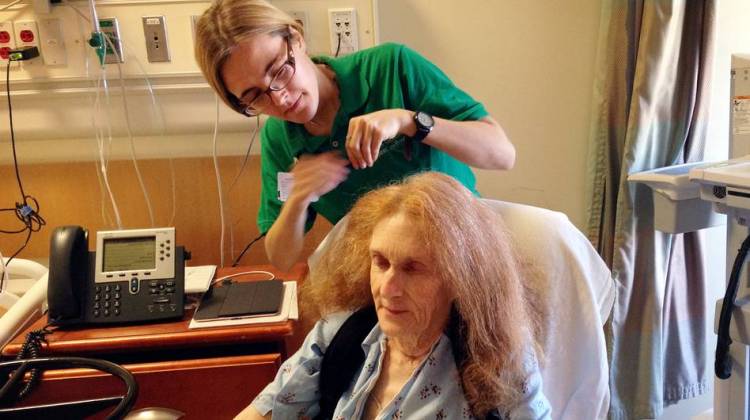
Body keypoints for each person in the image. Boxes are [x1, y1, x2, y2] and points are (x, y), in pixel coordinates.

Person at [195, 0, 516, 270]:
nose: (279, 98)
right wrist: (298, 199)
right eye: (254, 96)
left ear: (296, 38)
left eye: (279, 70)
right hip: (385, 275)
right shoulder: (280, 138)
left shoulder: (391, 67)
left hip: (462, 254)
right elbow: (280, 257)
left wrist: (408, 120)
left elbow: (501, 154)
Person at [235, 172, 551, 419]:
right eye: (380, 262)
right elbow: (264, 411)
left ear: (461, 279)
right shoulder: (337, 336)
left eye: (413, 269)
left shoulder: (499, 360)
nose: (387, 288)